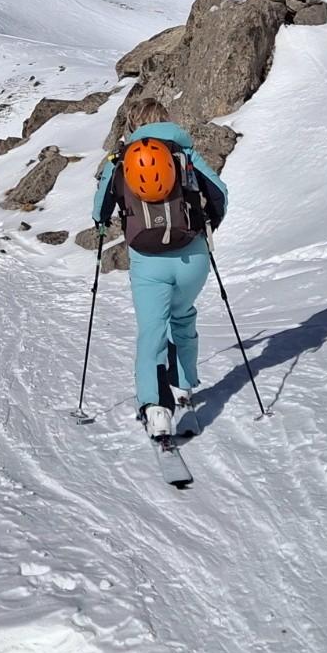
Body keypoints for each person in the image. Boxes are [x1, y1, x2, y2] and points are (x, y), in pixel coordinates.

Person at [91, 97, 228, 439]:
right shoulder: (183, 154)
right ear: (166, 121)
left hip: (147, 261)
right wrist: (207, 226)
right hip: (192, 257)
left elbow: (100, 210)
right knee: (182, 318)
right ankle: (182, 388)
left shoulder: (121, 159)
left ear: (135, 125)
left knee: (152, 330)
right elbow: (219, 194)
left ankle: (156, 410)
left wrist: (102, 224)